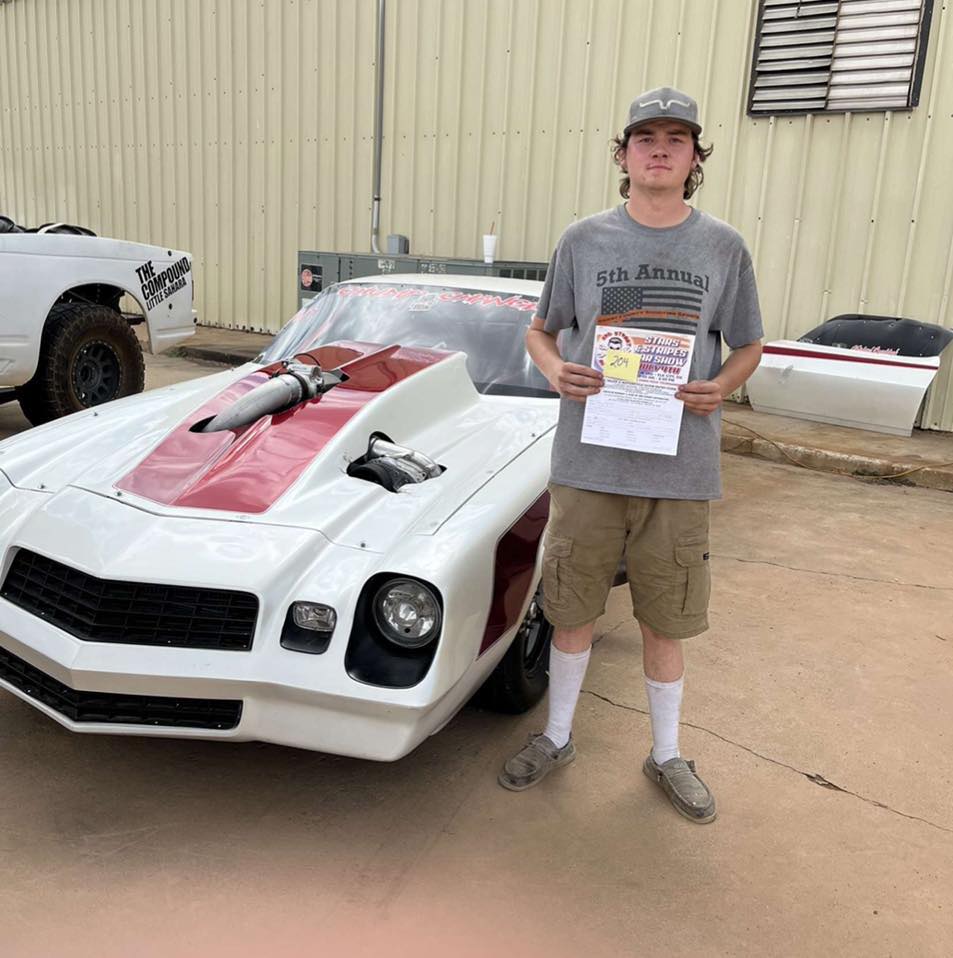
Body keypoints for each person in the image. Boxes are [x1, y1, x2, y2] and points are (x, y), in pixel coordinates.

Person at [498, 87, 764, 824]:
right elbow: (541, 329)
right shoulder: (582, 240)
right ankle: (555, 738)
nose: (658, 148)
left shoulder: (722, 246)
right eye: (643, 137)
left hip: (678, 471)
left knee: (665, 618)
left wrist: (719, 387)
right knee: (572, 607)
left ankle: (667, 753)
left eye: (675, 139)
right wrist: (555, 372)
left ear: (693, 159)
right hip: (589, 464)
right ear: (622, 155)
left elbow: (748, 343)